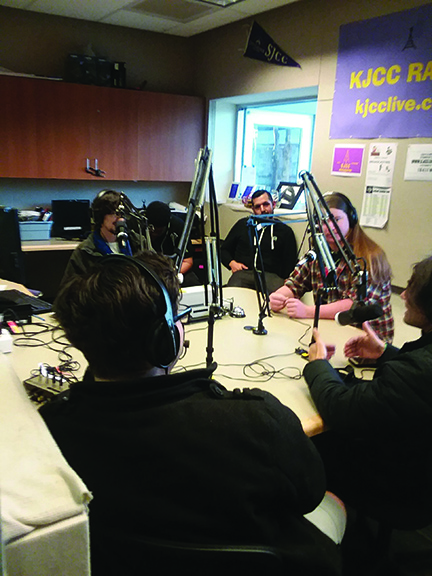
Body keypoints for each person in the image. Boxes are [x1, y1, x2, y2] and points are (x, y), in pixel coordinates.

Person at [40, 250, 344, 576]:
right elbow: (309, 494)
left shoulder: (50, 432)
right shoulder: (257, 424)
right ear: (165, 339)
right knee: (335, 504)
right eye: (177, 317)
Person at [303, 255, 432, 529]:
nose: (404, 295)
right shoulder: (420, 367)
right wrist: (385, 352)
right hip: (420, 467)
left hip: (402, 489)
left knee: (311, 441)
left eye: (412, 289)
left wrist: (317, 365)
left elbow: (341, 409)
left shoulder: (418, 373)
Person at [269, 192, 394, 343]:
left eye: (336, 219)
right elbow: (295, 283)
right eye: (323, 221)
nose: (328, 226)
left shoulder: (370, 257)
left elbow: (355, 305)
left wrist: (307, 311)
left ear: (351, 219)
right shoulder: (318, 252)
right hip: (330, 330)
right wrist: (279, 297)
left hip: (368, 342)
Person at [220, 189, 297, 293]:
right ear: (252, 209)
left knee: (279, 298)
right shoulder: (243, 225)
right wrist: (232, 263)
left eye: (266, 204)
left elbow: (289, 264)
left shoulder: (285, 232)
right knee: (233, 295)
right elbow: (223, 250)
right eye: (257, 206)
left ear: (273, 204)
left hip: (271, 277)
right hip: (244, 274)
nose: (262, 209)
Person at [61, 189, 141, 283]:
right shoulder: (85, 251)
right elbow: (69, 292)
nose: (121, 220)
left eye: (123, 215)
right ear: (100, 216)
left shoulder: (138, 243)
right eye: (115, 214)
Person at [146, 200, 200, 287]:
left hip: (173, 270)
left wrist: (170, 275)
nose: (154, 235)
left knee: (193, 283)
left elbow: (188, 261)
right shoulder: (137, 227)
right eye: (151, 231)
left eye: (158, 232)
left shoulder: (178, 227)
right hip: (147, 273)